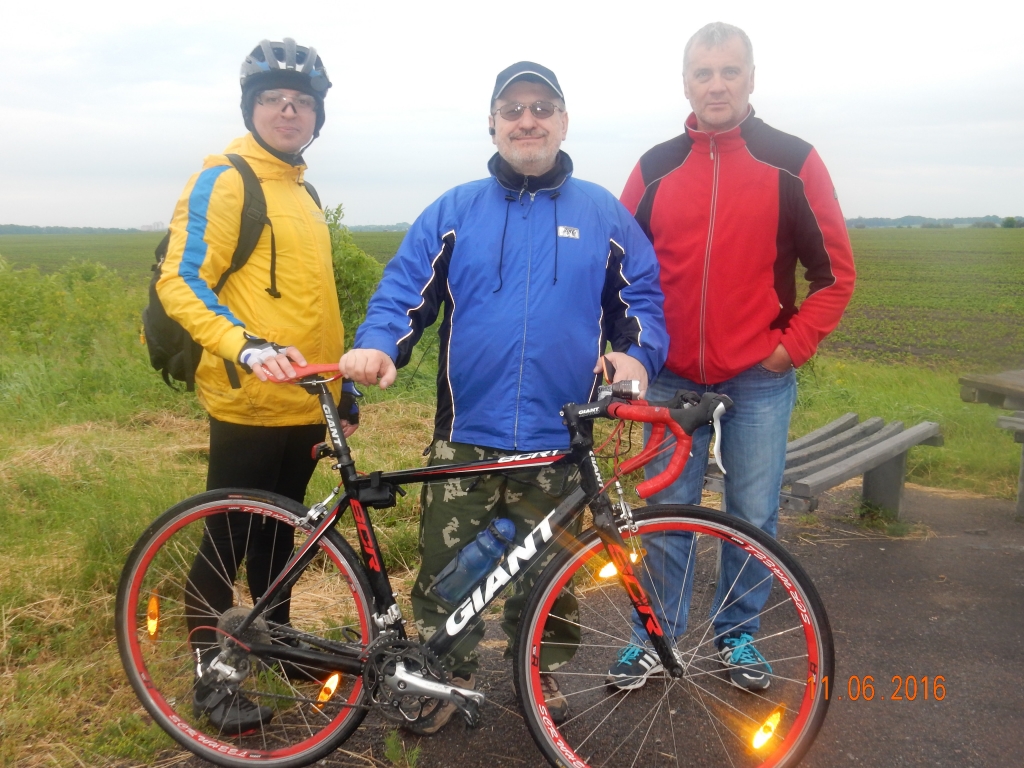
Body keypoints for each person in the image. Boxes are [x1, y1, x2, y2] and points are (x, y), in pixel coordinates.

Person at [341, 61, 667, 733]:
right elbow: (403, 291)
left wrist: (637, 355)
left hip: (559, 440)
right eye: (512, 109)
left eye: (542, 108)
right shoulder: (455, 211)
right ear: (492, 124)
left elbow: (641, 301)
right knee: (449, 570)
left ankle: (538, 675)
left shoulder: (603, 213)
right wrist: (378, 345)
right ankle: (444, 677)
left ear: (564, 121)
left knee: (550, 577)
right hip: (466, 434)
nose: (527, 121)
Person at [606, 22, 855, 692]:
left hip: (757, 377)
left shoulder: (793, 161)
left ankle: (737, 635)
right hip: (668, 376)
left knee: (751, 515)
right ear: (686, 83)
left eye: (729, 71)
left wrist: (789, 348)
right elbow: (616, 269)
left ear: (750, 79)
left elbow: (834, 275)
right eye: (703, 73)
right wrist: (629, 350)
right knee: (665, 514)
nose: (716, 85)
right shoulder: (654, 168)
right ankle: (653, 638)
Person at [156, 38, 359, 733]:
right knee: (226, 540)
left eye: (302, 102)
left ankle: (276, 640)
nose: (288, 110)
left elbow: (317, 303)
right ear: (251, 108)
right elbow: (181, 280)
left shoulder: (302, 192)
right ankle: (210, 680)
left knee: (285, 537)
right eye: (273, 99)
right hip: (247, 400)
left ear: (317, 117)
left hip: (304, 401)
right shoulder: (226, 179)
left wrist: (343, 391)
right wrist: (243, 345)